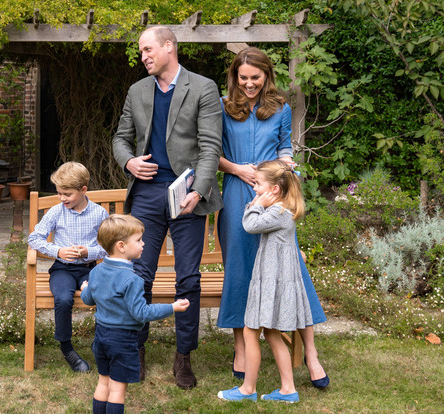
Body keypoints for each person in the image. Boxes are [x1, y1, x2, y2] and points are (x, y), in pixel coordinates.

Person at [112, 25, 223, 389]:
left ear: (169, 47)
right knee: (139, 277)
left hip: (187, 196)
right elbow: (119, 138)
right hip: (146, 195)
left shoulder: (203, 87)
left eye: (147, 49)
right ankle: (136, 350)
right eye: (141, 51)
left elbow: (210, 147)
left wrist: (200, 190)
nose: (143, 56)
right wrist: (128, 162)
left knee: (188, 278)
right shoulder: (137, 91)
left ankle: (183, 357)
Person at [215, 47, 329, 389]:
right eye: (243, 78)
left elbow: (284, 146)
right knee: (240, 267)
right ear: (235, 76)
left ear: (267, 76)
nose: (249, 84)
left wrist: (285, 162)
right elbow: (212, 152)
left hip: (274, 195)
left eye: (256, 78)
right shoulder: (222, 106)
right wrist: (238, 169)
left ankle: (310, 353)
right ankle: (240, 347)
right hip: (237, 193)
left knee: (291, 267)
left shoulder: (279, 108)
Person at [218, 160, 311, 403]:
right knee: (271, 333)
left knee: (250, 331)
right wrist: (260, 200)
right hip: (272, 280)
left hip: (271, 283)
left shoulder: (277, 212)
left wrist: (257, 202)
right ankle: (288, 389)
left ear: (275, 190)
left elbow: (249, 225)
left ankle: (248, 389)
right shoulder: (281, 210)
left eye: (259, 184)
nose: (255, 189)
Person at [81, 214, 190, 414]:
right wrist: (172, 307)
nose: (143, 244)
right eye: (138, 240)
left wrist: (85, 287)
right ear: (121, 246)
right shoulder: (132, 280)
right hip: (122, 340)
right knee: (117, 389)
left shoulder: (96, 271)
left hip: (101, 336)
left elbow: (88, 300)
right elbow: (141, 313)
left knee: (103, 382)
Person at [27, 161, 109, 372]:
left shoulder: (99, 214)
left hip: (90, 269)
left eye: (67, 194)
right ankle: (67, 348)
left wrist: (88, 252)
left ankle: (100, 344)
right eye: (59, 193)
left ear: (83, 190)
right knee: (63, 299)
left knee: (102, 295)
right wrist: (58, 251)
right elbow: (34, 239)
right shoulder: (56, 212)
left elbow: (109, 245)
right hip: (62, 269)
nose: (62, 198)